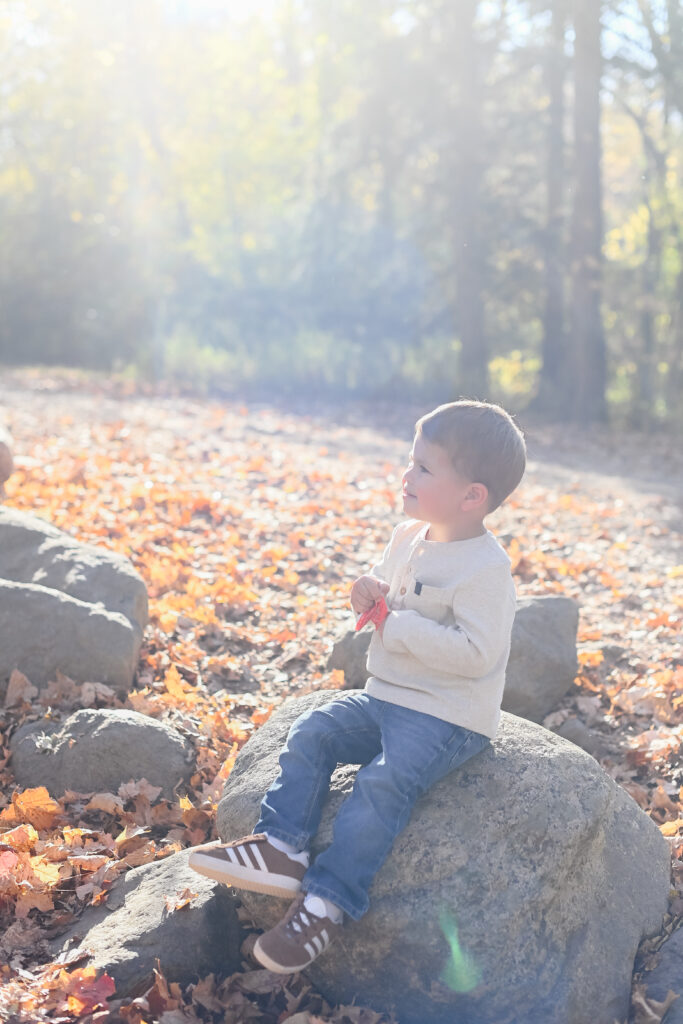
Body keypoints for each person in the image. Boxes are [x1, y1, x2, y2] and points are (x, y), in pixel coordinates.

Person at [189, 398, 527, 974]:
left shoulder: (485, 570)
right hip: (387, 695)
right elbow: (393, 598)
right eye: (410, 461)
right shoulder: (408, 534)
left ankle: (326, 903)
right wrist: (369, 591)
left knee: (383, 781)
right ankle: (283, 847)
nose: (407, 475)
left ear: (473, 496)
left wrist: (398, 622)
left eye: (424, 468)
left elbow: (478, 654)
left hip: (446, 715)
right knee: (315, 729)